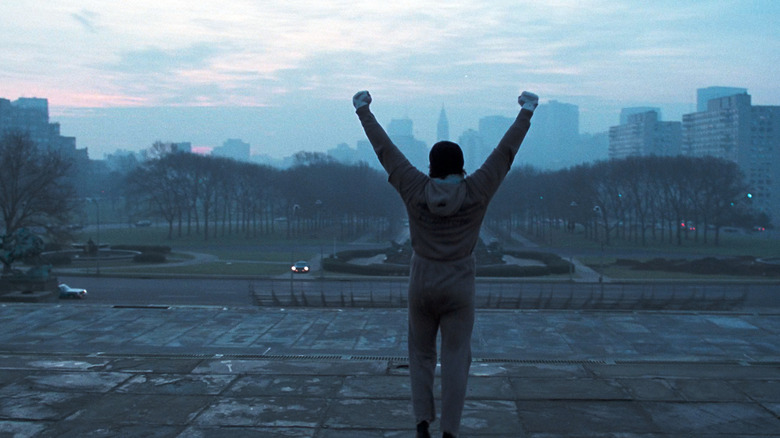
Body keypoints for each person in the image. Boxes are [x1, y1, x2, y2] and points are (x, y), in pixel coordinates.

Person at [353, 88, 538, 437]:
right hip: (459, 282)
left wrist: (363, 111)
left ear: (431, 167)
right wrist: (526, 111)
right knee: (456, 359)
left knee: (420, 354)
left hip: (422, 280)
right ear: (462, 166)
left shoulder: (415, 187)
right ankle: (450, 431)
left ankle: (422, 422)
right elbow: (505, 153)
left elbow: (385, 152)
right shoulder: (477, 190)